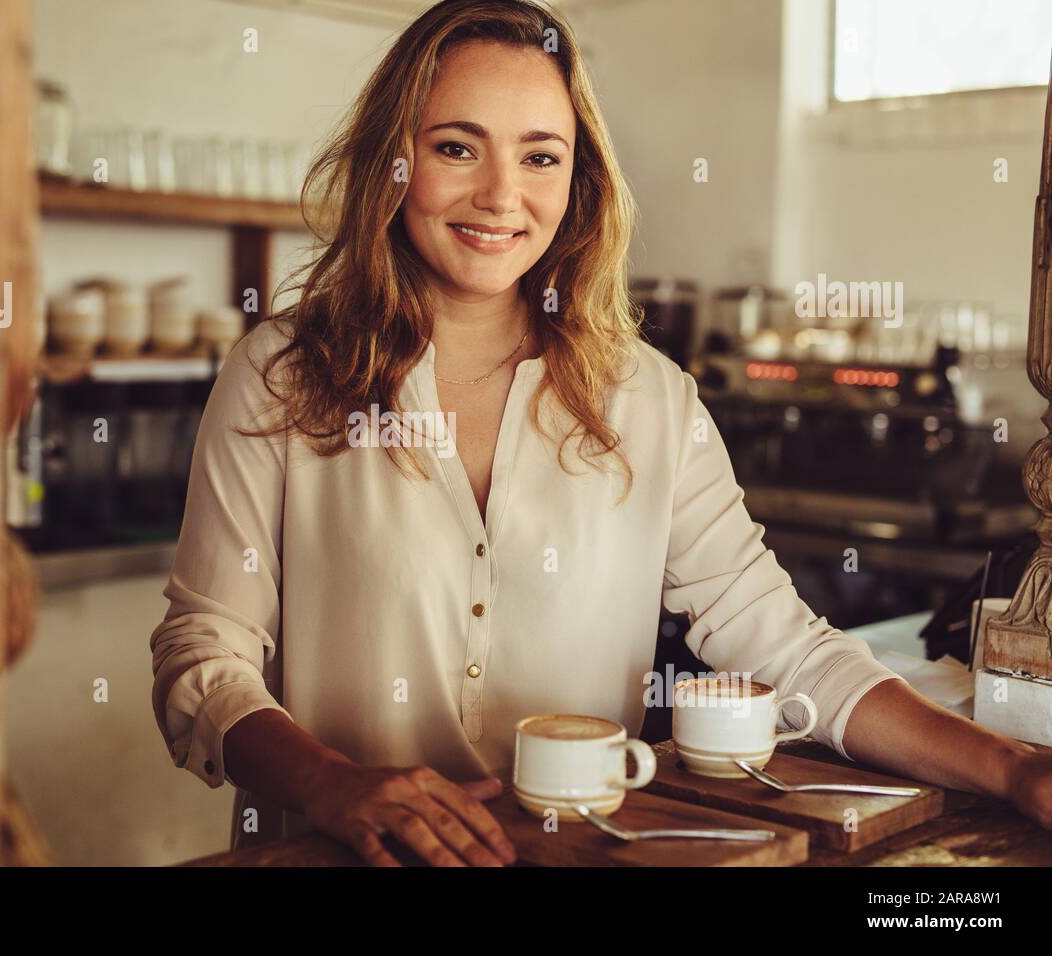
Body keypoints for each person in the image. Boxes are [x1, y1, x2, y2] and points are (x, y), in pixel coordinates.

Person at [150, 0, 1052, 867]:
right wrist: (333, 785)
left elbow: (787, 650)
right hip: (334, 855)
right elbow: (204, 650)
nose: (501, 195)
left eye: (540, 157)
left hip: (573, 854)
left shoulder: (649, 401)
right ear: (393, 161)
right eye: (456, 147)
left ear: (577, 181)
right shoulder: (280, 374)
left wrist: (1013, 771)